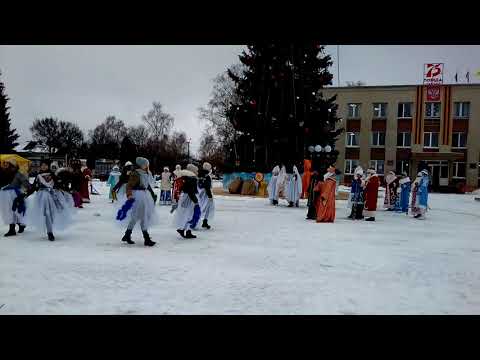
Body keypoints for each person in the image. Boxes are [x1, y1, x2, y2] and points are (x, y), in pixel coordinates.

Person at [25, 159, 75, 241]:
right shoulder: (38, 176)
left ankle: (50, 228)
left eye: (45, 165)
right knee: (46, 214)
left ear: (48, 166)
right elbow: (34, 187)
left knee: (51, 214)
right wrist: (26, 194)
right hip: (42, 197)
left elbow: (59, 184)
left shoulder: (53, 175)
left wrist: (67, 190)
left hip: (52, 196)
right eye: (42, 165)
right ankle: (49, 232)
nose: (43, 166)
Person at [117, 157, 157, 246]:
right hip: (138, 196)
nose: (147, 166)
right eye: (146, 165)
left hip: (144, 196)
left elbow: (147, 186)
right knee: (141, 216)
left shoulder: (145, 173)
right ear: (142, 165)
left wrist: (152, 195)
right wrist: (129, 195)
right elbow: (129, 185)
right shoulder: (136, 173)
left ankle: (127, 235)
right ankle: (146, 238)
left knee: (138, 217)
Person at [0, 158, 32, 237]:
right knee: (8, 212)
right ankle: (16, 227)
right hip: (4, 194)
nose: (5, 165)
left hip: (14, 194)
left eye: (7, 163)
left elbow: (25, 182)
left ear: (12, 165)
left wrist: (26, 190)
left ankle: (16, 227)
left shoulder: (17, 174)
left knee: (15, 211)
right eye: (4, 164)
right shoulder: (3, 173)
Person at [173, 164, 200, 239]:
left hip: (186, 197)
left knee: (188, 214)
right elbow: (191, 191)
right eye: (196, 170)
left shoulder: (186, 177)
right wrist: (196, 201)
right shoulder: (192, 178)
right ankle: (183, 229)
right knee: (189, 215)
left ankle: (187, 231)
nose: (197, 172)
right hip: (190, 198)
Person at [197, 162, 215, 229]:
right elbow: (207, 187)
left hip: (200, 193)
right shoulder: (207, 176)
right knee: (206, 208)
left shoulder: (199, 174)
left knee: (201, 207)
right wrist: (210, 196)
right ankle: (201, 222)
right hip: (206, 195)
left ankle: (204, 222)